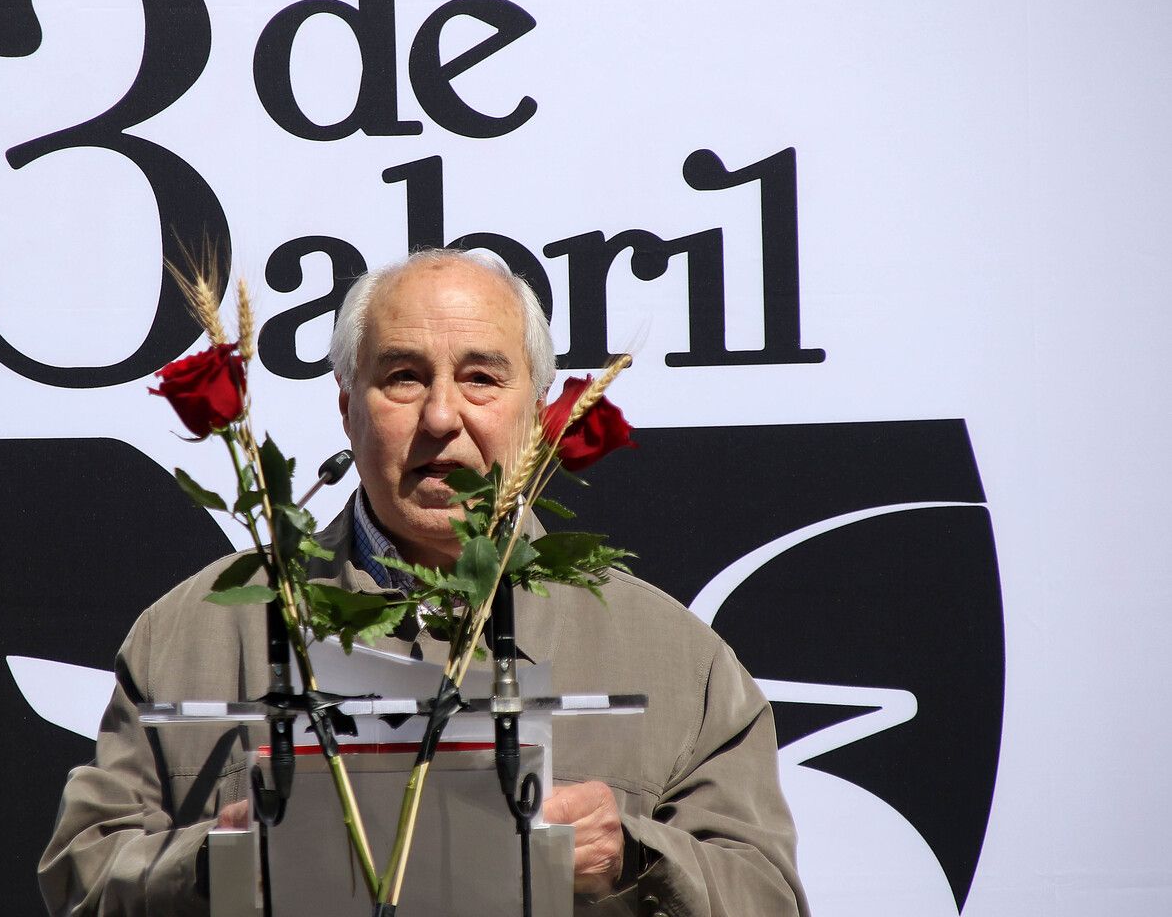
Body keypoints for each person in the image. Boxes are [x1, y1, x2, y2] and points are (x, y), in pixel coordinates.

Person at [40, 250, 808, 917]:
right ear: (348, 410)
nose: (442, 416)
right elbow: (79, 883)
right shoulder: (193, 636)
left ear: (538, 417)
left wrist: (633, 859)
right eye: (403, 378)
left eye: (481, 378)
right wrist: (219, 864)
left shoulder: (679, 660)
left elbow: (769, 897)